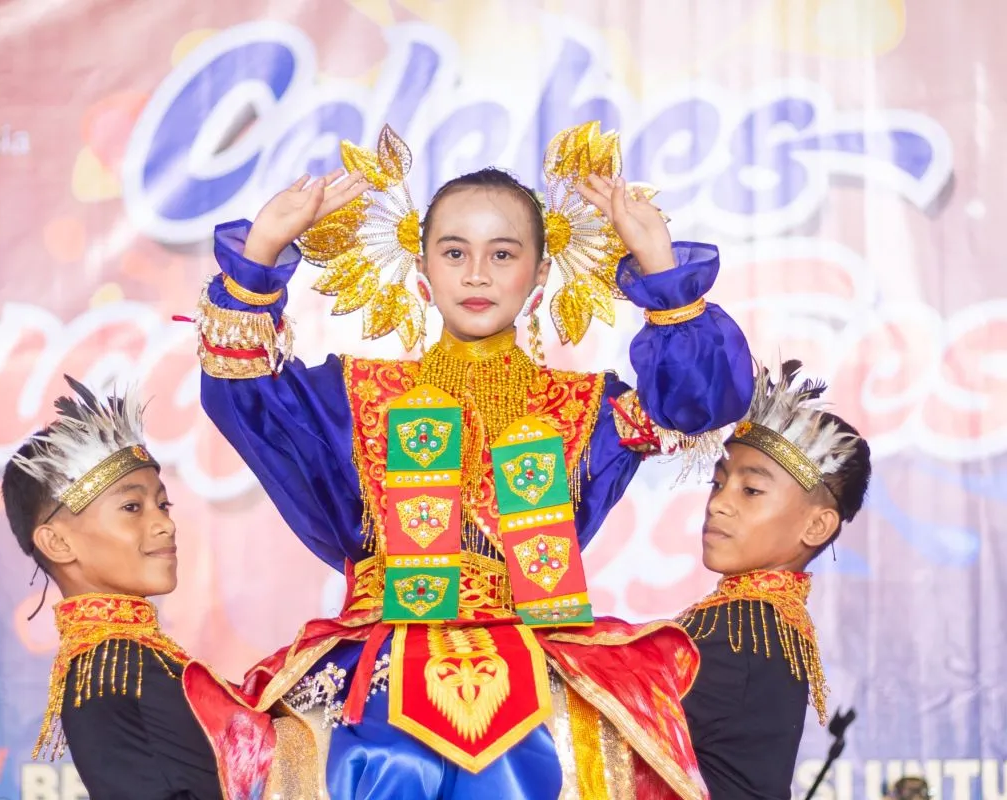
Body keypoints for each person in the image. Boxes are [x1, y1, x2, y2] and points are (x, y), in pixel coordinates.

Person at [180, 123, 754, 799]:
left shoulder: (588, 409)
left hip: (539, 670)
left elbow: (700, 402)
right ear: (423, 271)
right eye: (454, 252)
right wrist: (260, 254)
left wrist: (660, 266)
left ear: (540, 274)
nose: (477, 273)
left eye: (502, 253)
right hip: (379, 672)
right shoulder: (355, 397)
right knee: (376, 761)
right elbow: (242, 393)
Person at [2, 375, 223, 800]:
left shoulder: (126, 660)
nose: (165, 523)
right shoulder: (114, 667)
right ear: (57, 542)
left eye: (163, 504)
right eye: (131, 507)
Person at [678, 360, 872, 799]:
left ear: (817, 526)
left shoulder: (739, 631)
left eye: (751, 490)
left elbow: (595, 728)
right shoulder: (760, 623)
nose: (718, 504)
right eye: (717, 484)